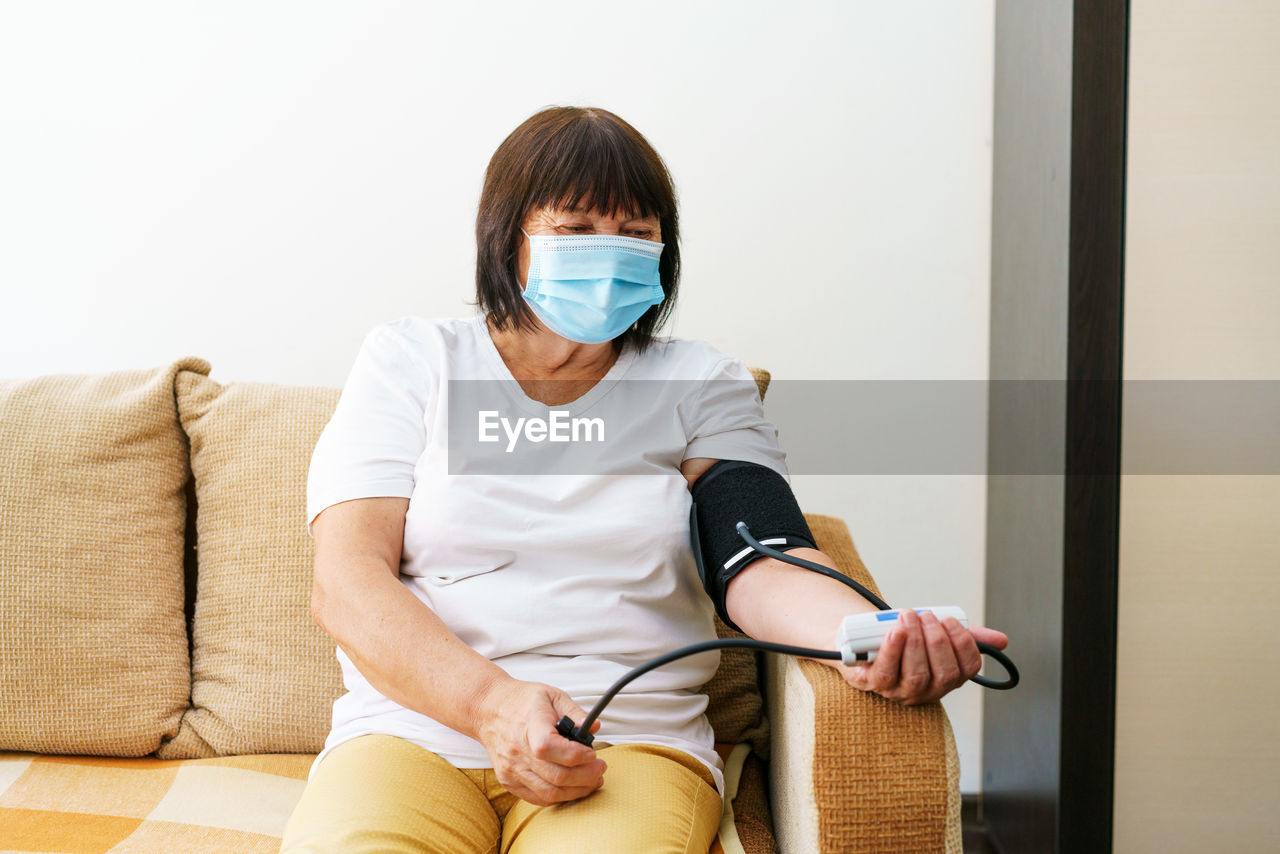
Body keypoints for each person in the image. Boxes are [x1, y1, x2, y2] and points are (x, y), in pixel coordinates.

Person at [280, 106, 1008, 854]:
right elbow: (348, 580)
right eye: (577, 229)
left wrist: (874, 638)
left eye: (636, 233)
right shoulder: (412, 361)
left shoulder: (701, 383)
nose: (611, 252)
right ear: (508, 239)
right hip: (415, 736)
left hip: (625, 743)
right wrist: (490, 705)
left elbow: (762, 560)